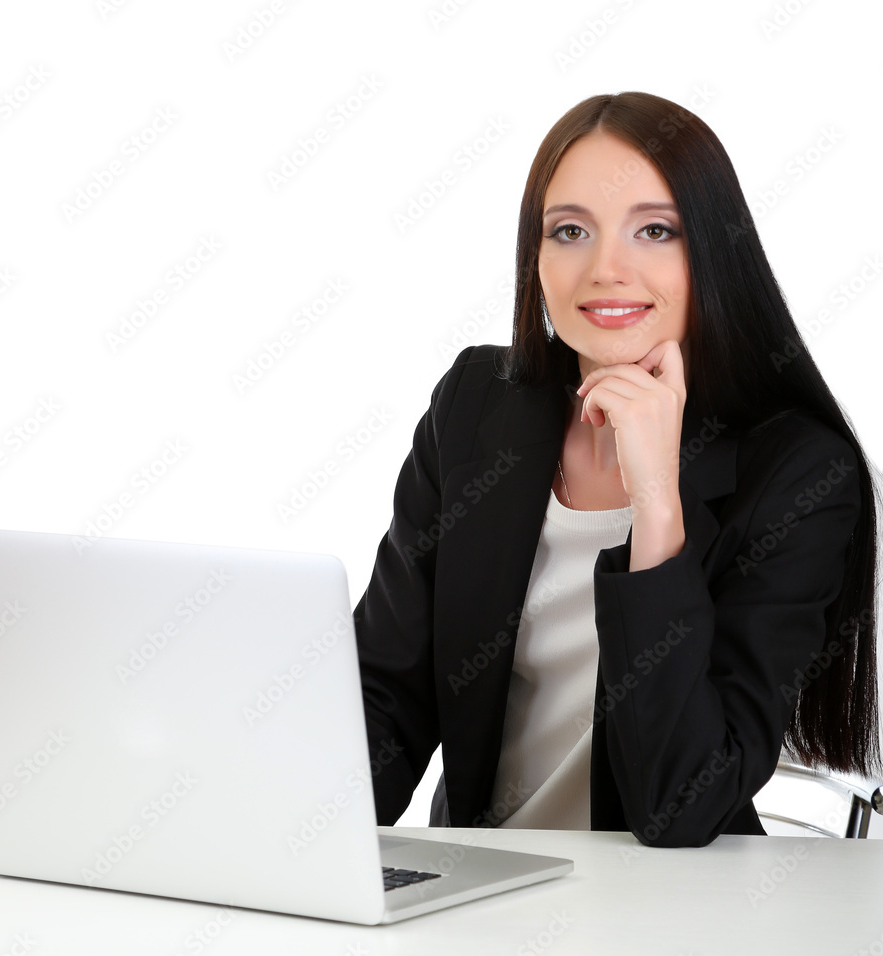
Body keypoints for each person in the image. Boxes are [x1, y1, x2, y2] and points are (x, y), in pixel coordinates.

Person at [352, 91, 882, 848]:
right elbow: (387, 696)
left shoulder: (798, 473)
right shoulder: (477, 405)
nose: (605, 269)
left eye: (655, 231)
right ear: (535, 258)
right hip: (480, 892)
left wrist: (656, 502)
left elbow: (684, 805)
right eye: (570, 231)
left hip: (669, 908)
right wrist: (287, 828)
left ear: (711, 250)